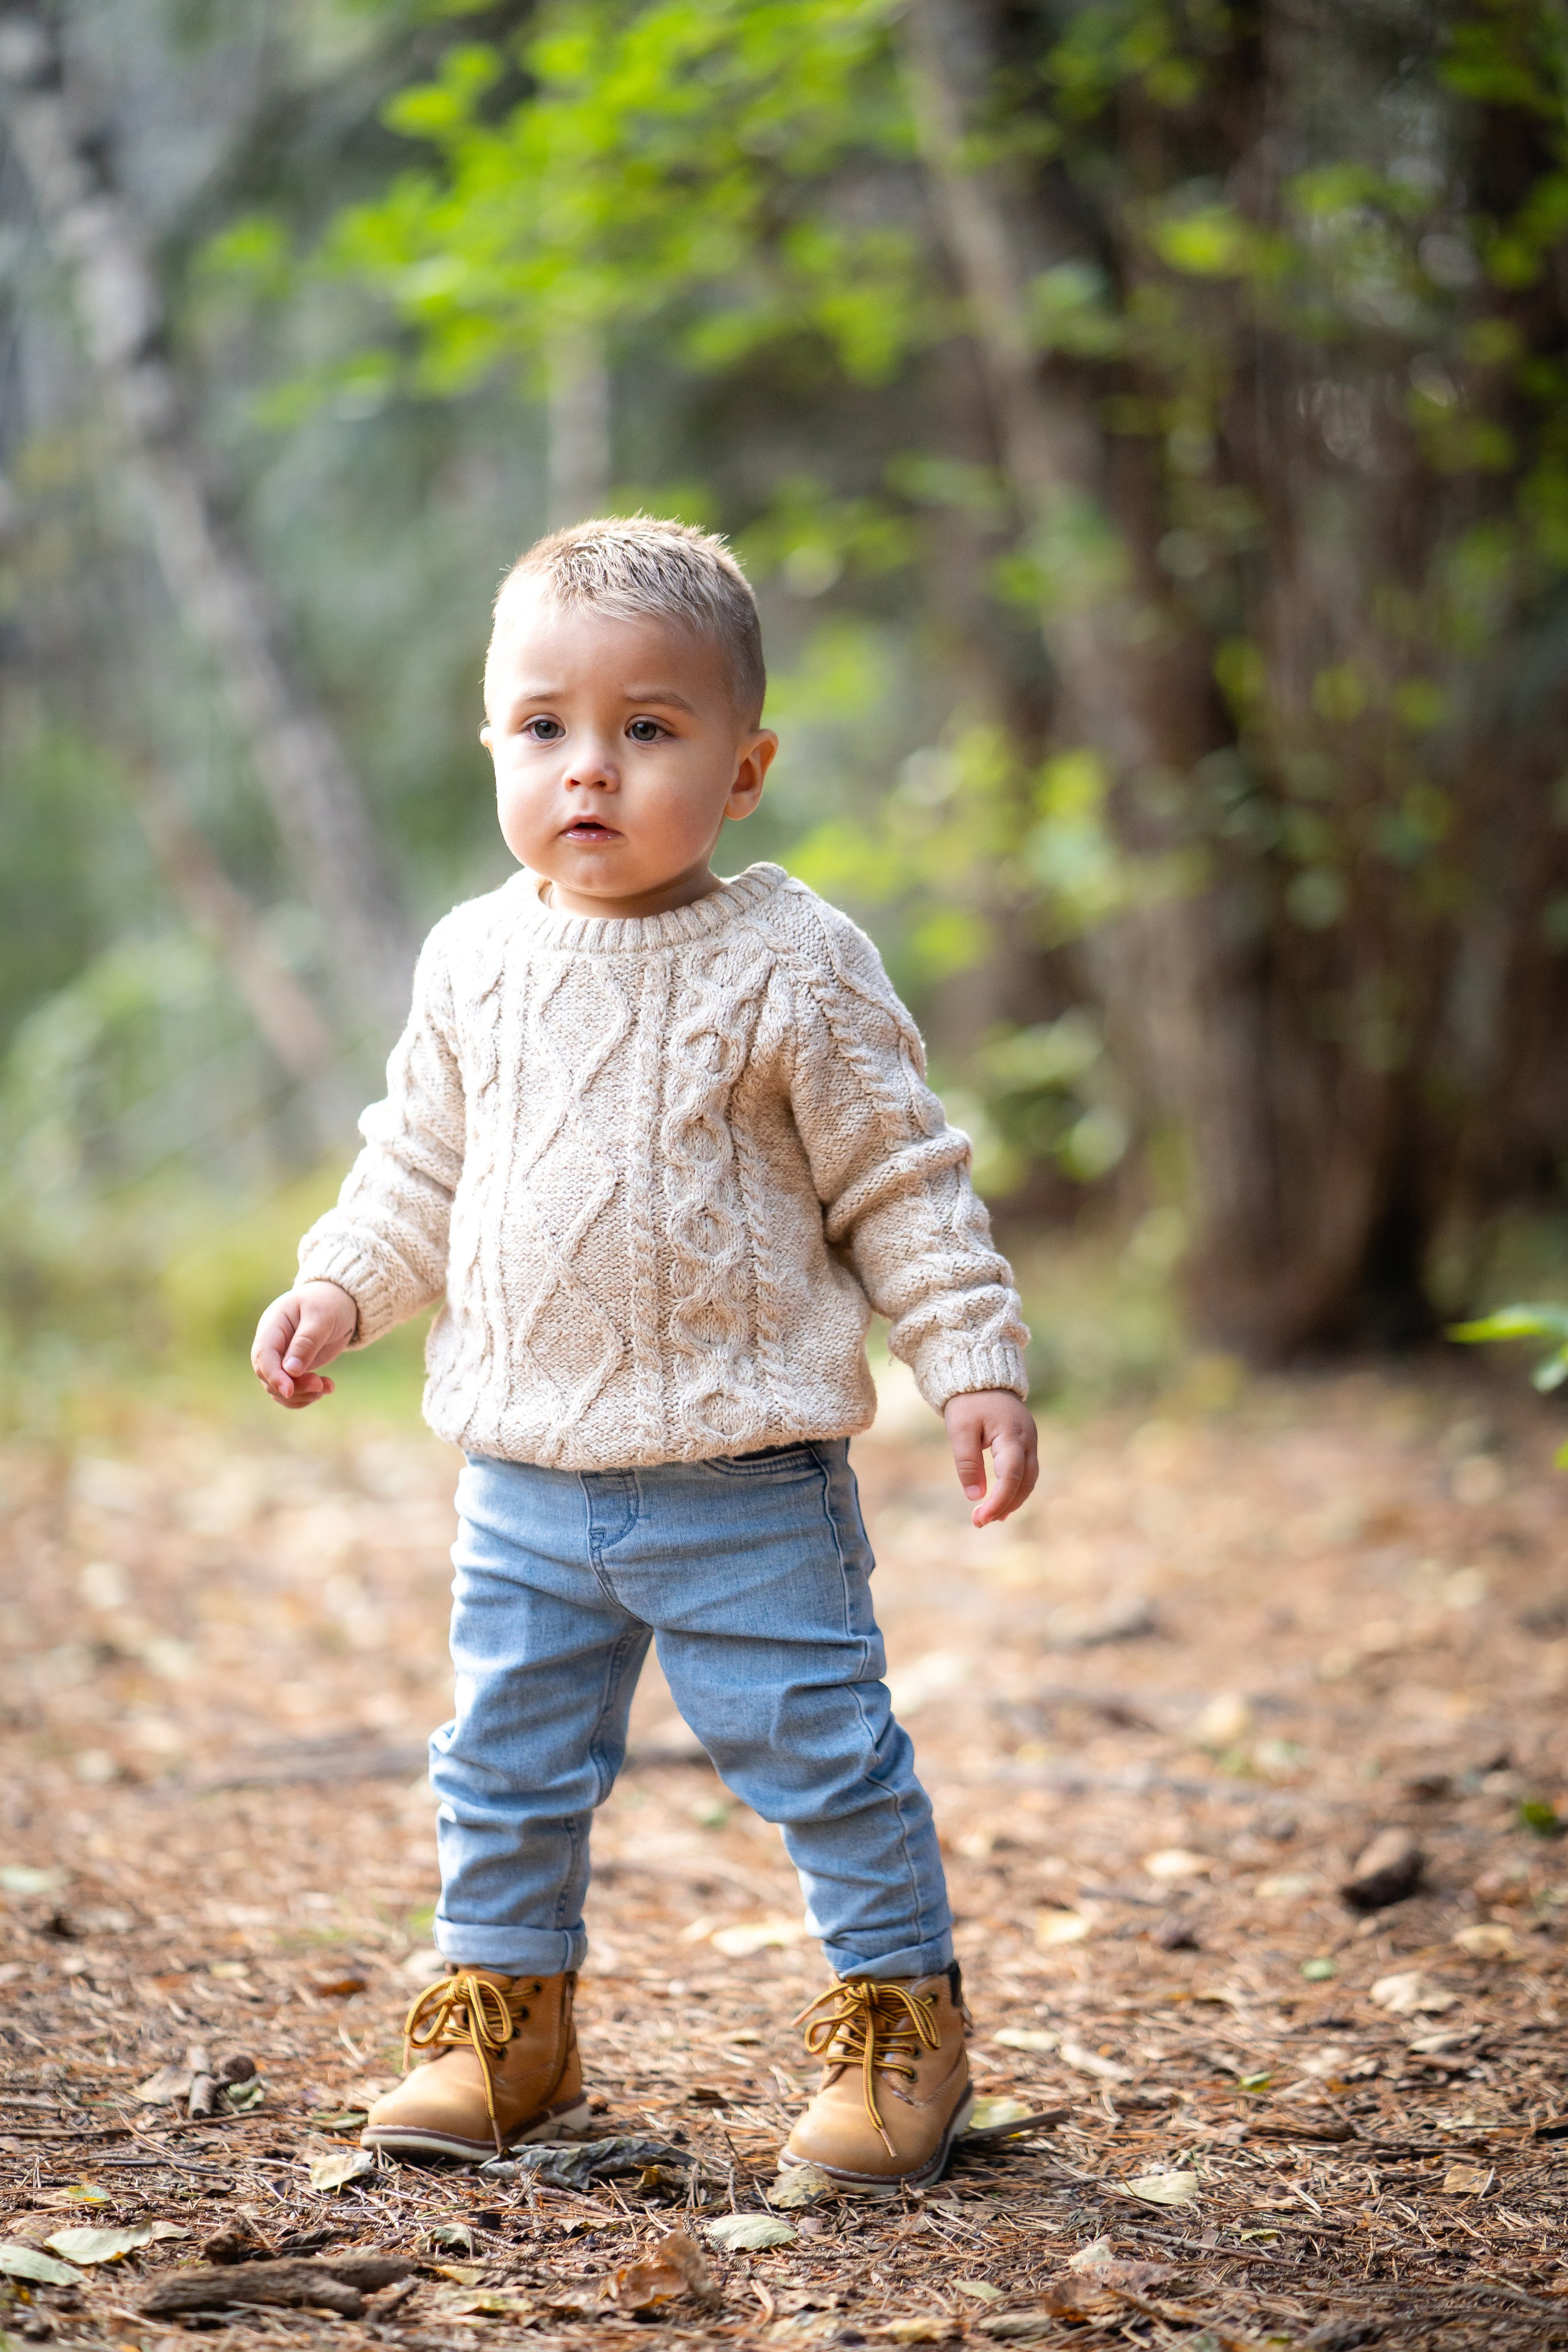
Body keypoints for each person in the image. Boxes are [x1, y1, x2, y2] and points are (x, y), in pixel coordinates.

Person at [251, 517, 1038, 2190]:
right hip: (525, 1473)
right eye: (544, 729)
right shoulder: (473, 959)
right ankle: (504, 2026)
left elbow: (899, 1177)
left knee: (822, 1753)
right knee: (506, 1765)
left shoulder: (792, 963)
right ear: (491, 746)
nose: (588, 771)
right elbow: (418, 1170)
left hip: (742, 1477)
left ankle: (904, 2025)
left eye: (649, 730)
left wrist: (969, 1352)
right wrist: (339, 1285)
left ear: (744, 767)